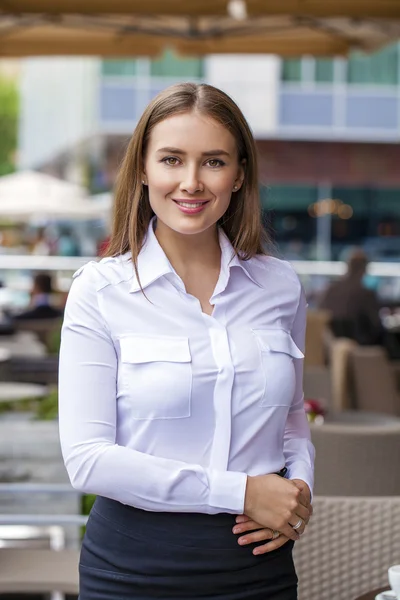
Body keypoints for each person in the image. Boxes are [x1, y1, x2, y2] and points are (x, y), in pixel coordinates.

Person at [59, 83, 314, 600]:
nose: (191, 182)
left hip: (258, 565)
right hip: (134, 569)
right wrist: (241, 491)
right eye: (172, 159)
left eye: (214, 162)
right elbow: (87, 458)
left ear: (240, 173)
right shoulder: (100, 291)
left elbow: (290, 420)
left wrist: (299, 489)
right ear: (143, 170)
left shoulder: (281, 286)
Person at [318, 248, 384, 346]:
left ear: (347, 266)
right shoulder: (366, 293)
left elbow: (321, 315)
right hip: (360, 344)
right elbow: (376, 324)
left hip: (328, 344)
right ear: (364, 269)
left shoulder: (331, 289)